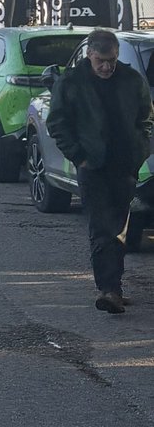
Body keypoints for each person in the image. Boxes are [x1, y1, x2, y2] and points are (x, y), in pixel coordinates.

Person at [46, 28, 153, 313]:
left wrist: (142, 151)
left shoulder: (131, 80)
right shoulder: (71, 82)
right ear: (89, 55)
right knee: (102, 227)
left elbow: (146, 118)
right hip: (92, 167)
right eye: (101, 61)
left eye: (112, 61)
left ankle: (113, 286)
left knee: (119, 229)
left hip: (125, 165)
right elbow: (57, 123)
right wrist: (79, 156)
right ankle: (109, 290)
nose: (107, 67)